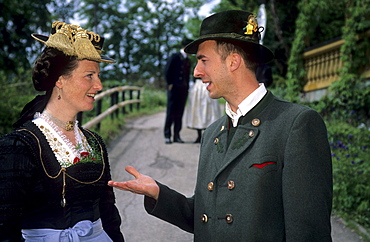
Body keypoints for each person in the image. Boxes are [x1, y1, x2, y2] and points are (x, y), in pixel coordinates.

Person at [108, 10, 333, 241]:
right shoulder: (213, 132)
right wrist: (159, 194)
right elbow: (208, 216)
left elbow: (309, 233)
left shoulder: (296, 124)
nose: (196, 72)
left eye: (203, 60)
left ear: (233, 61)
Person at [0, 21, 124, 241]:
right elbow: (5, 228)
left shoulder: (94, 142)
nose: (99, 85)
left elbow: (109, 214)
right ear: (60, 80)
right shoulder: (20, 146)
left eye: (98, 76)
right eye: (89, 75)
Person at [163, 38, 193, 144]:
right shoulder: (175, 56)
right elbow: (167, 70)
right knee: (171, 112)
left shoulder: (187, 61)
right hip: (174, 88)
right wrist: (170, 84)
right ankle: (167, 135)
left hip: (183, 89)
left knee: (179, 113)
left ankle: (177, 135)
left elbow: (187, 76)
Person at [185, 78, 222, 143]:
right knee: (197, 111)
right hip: (198, 86)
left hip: (208, 85)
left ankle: (208, 135)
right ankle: (199, 135)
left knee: (209, 112)